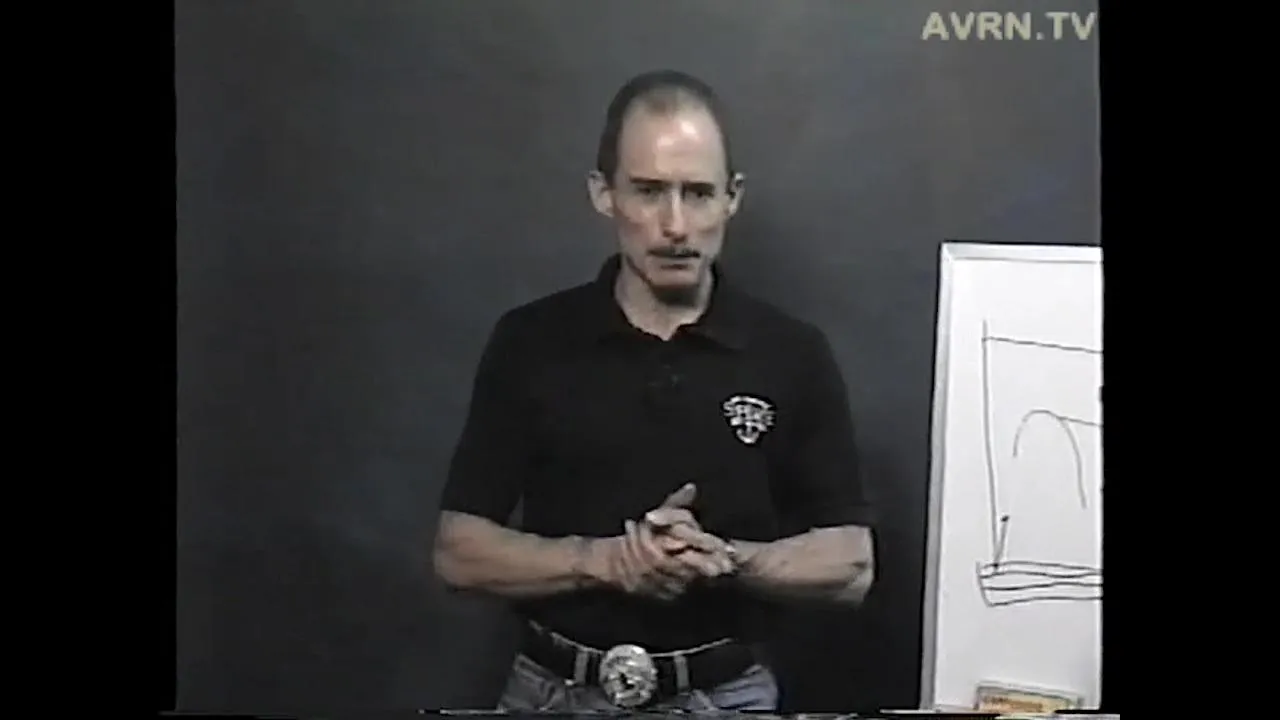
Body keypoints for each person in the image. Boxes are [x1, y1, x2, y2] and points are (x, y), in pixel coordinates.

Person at [432, 69, 875, 714]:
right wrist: (605, 561)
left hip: (725, 698)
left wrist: (723, 560)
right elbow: (458, 552)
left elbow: (851, 565)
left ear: (732, 198)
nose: (675, 225)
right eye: (648, 191)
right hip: (552, 694)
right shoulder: (530, 340)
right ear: (603, 192)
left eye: (698, 194)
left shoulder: (792, 352)